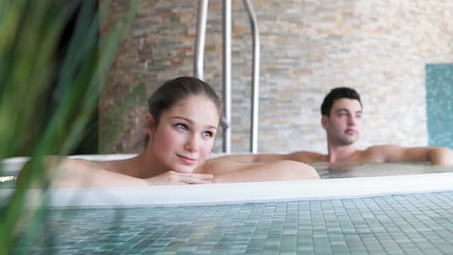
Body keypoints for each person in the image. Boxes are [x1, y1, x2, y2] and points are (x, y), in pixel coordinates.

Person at [49, 76, 319, 186]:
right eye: (182, 126)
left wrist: (202, 187)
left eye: (207, 133)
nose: (194, 146)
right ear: (150, 124)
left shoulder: (207, 174)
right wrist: (148, 186)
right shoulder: (118, 172)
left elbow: (305, 174)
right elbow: (43, 171)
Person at [252, 87, 453, 166]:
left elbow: (440, 152)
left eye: (358, 115)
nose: (353, 122)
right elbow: (254, 159)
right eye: (343, 114)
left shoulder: (375, 155)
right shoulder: (308, 161)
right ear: (325, 122)